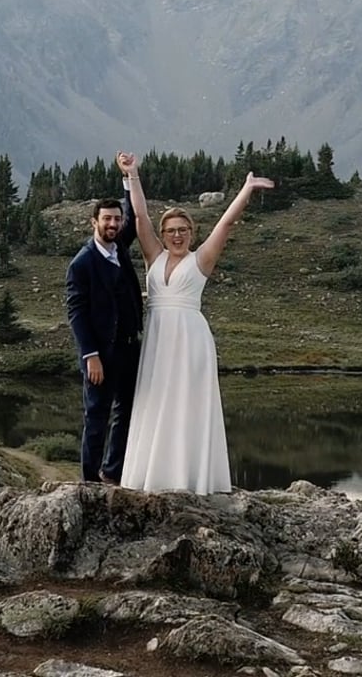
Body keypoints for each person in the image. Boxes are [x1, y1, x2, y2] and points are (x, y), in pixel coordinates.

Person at [119, 158, 273, 494]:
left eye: (183, 230)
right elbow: (141, 215)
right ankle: (155, 477)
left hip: (191, 341)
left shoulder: (200, 259)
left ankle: (190, 478)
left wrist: (246, 190)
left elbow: (226, 223)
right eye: (171, 231)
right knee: (157, 402)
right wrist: (132, 176)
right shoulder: (153, 257)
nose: (177, 236)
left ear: (191, 234)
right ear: (163, 235)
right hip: (159, 341)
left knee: (188, 405)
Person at [64, 175, 142, 484]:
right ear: (94, 222)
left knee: (126, 412)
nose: (113, 224)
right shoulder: (82, 263)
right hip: (101, 354)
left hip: (128, 349)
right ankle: (89, 481)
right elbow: (76, 312)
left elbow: (134, 217)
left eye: (117, 219)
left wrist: (128, 178)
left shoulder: (120, 245)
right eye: (107, 219)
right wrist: (90, 355)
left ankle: (112, 473)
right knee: (96, 416)